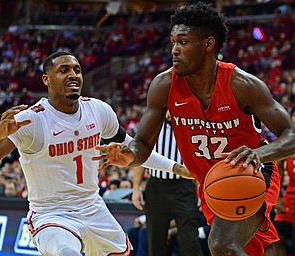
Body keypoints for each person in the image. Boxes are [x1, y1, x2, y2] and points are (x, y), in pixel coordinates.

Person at [92, 3, 295, 256]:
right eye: (173, 42)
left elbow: (291, 134)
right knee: (250, 249)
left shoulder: (242, 84)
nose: (174, 50)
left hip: (252, 171)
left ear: (208, 44)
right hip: (211, 181)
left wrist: (260, 154)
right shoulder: (163, 85)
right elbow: (142, 144)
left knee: (222, 245)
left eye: (183, 42)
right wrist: (129, 154)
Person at [0, 51, 191, 256]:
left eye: (77, 70)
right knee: (67, 252)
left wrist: (178, 168)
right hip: (51, 214)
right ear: (46, 79)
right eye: (63, 70)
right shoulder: (31, 120)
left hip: (93, 207)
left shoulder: (98, 110)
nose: (73, 75)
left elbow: (136, 149)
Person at [132, 111, 203, 256]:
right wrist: (135, 188)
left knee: (190, 238)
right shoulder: (152, 121)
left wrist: (202, 187)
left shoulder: (191, 121)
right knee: (155, 239)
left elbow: (200, 157)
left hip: (184, 186)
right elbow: (140, 156)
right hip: (156, 186)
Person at [274, 108, 295, 256]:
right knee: (278, 236)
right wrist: (277, 198)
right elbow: (278, 169)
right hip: (291, 194)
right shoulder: (287, 141)